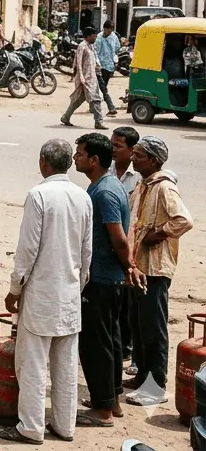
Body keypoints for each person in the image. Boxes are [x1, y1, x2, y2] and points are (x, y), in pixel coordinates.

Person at [0, 139, 93, 444]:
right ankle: (65, 427)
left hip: (41, 295)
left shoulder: (38, 195)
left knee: (34, 365)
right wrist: (77, 286)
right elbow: (86, 252)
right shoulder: (82, 197)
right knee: (65, 366)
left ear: (43, 162)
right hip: (68, 294)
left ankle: (31, 427)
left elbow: (27, 250)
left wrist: (15, 288)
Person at [124, 136, 194, 406]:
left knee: (153, 329)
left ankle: (156, 387)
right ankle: (142, 377)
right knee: (139, 326)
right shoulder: (144, 185)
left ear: (153, 160)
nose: (133, 158)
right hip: (139, 266)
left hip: (155, 268)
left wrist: (160, 233)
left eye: (139, 155)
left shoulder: (164, 187)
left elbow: (184, 220)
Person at [72, 133, 134, 427]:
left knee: (96, 344)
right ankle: (111, 400)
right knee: (111, 339)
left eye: (80, 153)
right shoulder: (107, 185)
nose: (75, 158)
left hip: (102, 279)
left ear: (94, 160)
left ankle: (103, 411)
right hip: (110, 278)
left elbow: (119, 239)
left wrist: (129, 266)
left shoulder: (104, 192)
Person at [110, 125, 143, 376]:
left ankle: (131, 351)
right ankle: (120, 349)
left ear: (132, 150)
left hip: (132, 245)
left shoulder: (140, 177)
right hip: (112, 243)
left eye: (118, 146)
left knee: (133, 303)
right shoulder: (106, 171)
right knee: (116, 301)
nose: (113, 149)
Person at [61, 26, 105, 130]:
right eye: (94, 36)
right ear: (88, 36)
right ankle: (99, 122)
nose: (95, 38)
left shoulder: (91, 47)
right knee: (95, 99)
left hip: (92, 77)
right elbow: (78, 63)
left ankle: (65, 117)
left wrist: (99, 70)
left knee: (78, 99)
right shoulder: (82, 46)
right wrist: (81, 76)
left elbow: (95, 61)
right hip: (85, 78)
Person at [96, 21, 121, 117]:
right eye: (108, 30)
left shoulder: (112, 36)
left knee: (102, 87)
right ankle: (95, 106)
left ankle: (111, 107)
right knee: (101, 87)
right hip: (103, 66)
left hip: (107, 67)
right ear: (104, 28)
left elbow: (117, 47)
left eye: (111, 31)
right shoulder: (99, 37)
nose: (109, 32)